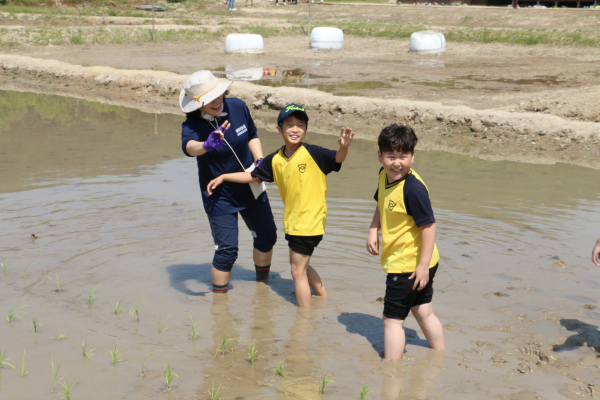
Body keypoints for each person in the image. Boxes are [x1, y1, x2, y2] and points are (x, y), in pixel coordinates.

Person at [207, 104, 354, 307]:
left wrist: (344, 148)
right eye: (289, 125)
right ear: (279, 129)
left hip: (309, 222)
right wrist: (224, 176)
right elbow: (252, 175)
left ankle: (303, 321)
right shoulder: (274, 160)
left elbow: (337, 159)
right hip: (294, 223)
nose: (295, 129)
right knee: (302, 265)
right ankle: (323, 297)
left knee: (296, 271)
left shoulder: (314, 153)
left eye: (300, 125)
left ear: (306, 130)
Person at [180, 70, 277, 294]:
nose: (216, 101)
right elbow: (189, 148)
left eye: (218, 95)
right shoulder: (192, 126)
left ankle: (262, 290)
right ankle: (220, 308)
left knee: (267, 236)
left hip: (251, 185)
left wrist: (260, 160)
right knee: (227, 250)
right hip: (220, 195)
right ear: (197, 104)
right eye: (208, 99)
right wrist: (206, 145)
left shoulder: (237, 107)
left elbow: (252, 134)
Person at [366, 124, 445, 359]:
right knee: (423, 311)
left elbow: (429, 226)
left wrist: (422, 266)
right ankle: (439, 356)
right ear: (380, 156)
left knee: (391, 321)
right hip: (422, 262)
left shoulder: (412, 188)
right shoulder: (384, 175)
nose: (397, 163)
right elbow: (382, 202)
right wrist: (373, 228)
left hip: (408, 266)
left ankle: (390, 371)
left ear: (413, 156)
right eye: (391, 156)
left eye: (403, 156)